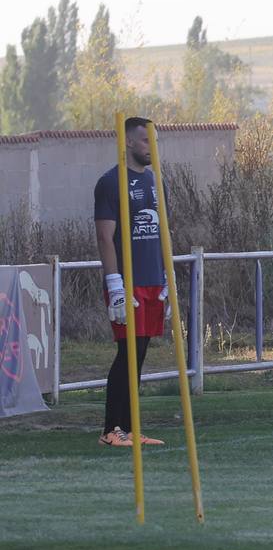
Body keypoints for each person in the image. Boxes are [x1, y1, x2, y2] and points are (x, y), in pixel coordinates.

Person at [92, 116, 170, 448]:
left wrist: (166, 276)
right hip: (128, 282)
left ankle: (129, 427)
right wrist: (115, 285)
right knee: (126, 353)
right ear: (127, 143)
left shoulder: (154, 179)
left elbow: (161, 232)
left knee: (139, 355)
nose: (150, 147)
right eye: (143, 141)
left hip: (152, 279)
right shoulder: (111, 183)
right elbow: (104, 237)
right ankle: (112, 429)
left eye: (152, 141)